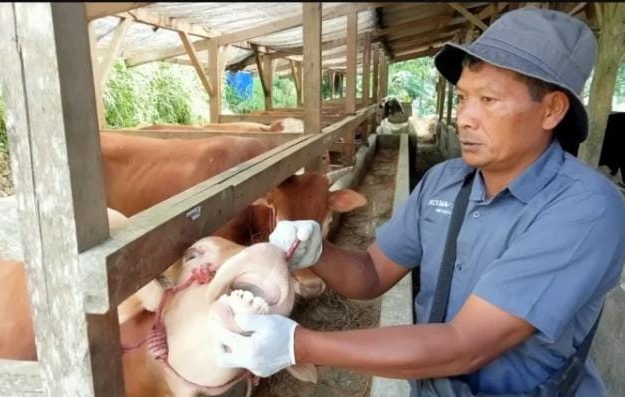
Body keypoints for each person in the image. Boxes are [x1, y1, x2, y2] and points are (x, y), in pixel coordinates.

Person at [214, 8, 625, 396]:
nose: (465, 117)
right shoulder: (444, 182)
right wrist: (319, 251)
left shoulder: (585, 210)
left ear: (552, 109)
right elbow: (372, 273)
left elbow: (466, 345)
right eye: (463, 97)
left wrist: (299, 345)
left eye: (489, 100)